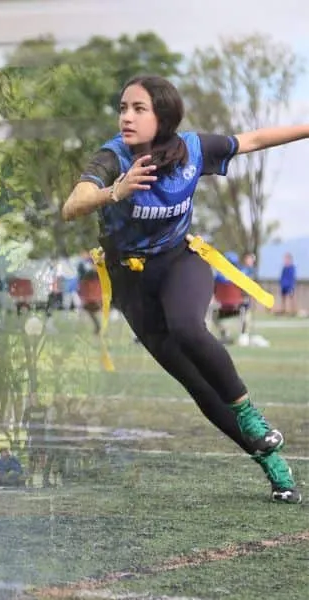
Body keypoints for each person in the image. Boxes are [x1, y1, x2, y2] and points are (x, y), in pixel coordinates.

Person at [62, 74, 306, 503]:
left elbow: (255, 139)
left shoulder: (194, 148)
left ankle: (250, 416)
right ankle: (273, 464)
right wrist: (114, 191)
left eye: (139, 109)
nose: (127, 117)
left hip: (180, 264)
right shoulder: (113, 157)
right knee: (199, 387)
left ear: (164, 115)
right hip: (132, 284)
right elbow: (73, 204)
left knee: (189, 328)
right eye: (123, 108)